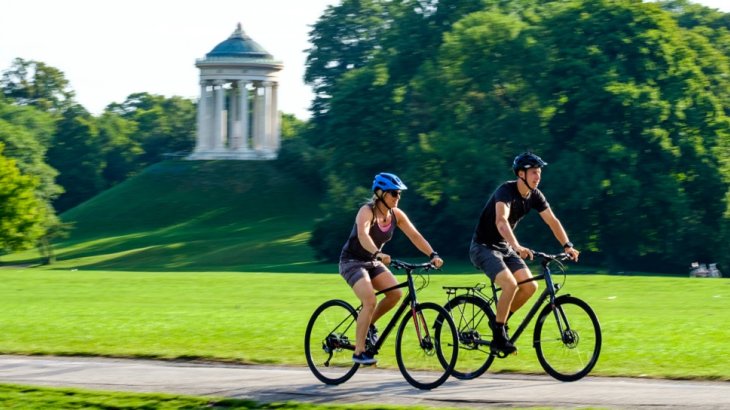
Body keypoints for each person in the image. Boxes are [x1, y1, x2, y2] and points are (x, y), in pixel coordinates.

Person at [469, 152, 579, 354]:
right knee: (510, 285)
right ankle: (499, 335)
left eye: (539, 173)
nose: (538, 177)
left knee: (530, 287)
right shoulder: (505, 191)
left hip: (504, 247)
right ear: (521, 174)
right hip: (483, 247)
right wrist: (517, 247)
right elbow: (501, 221)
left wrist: (567, 245)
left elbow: (552, 221)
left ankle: (498, 324)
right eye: (534, 172)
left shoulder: (535, 195)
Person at [339, 172, 444, 365]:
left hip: (372, 262)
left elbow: (415, 236)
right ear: (380, 193)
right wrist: (377, 253)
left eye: (399, 194)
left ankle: (369, 325)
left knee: (395, 294)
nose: (398, 197)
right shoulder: (366, 211)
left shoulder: (396, 215)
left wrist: (432, 254)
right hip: (352, 261)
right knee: (369, 300)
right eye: (394, 193)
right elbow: (363, 235)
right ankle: (359, 351)